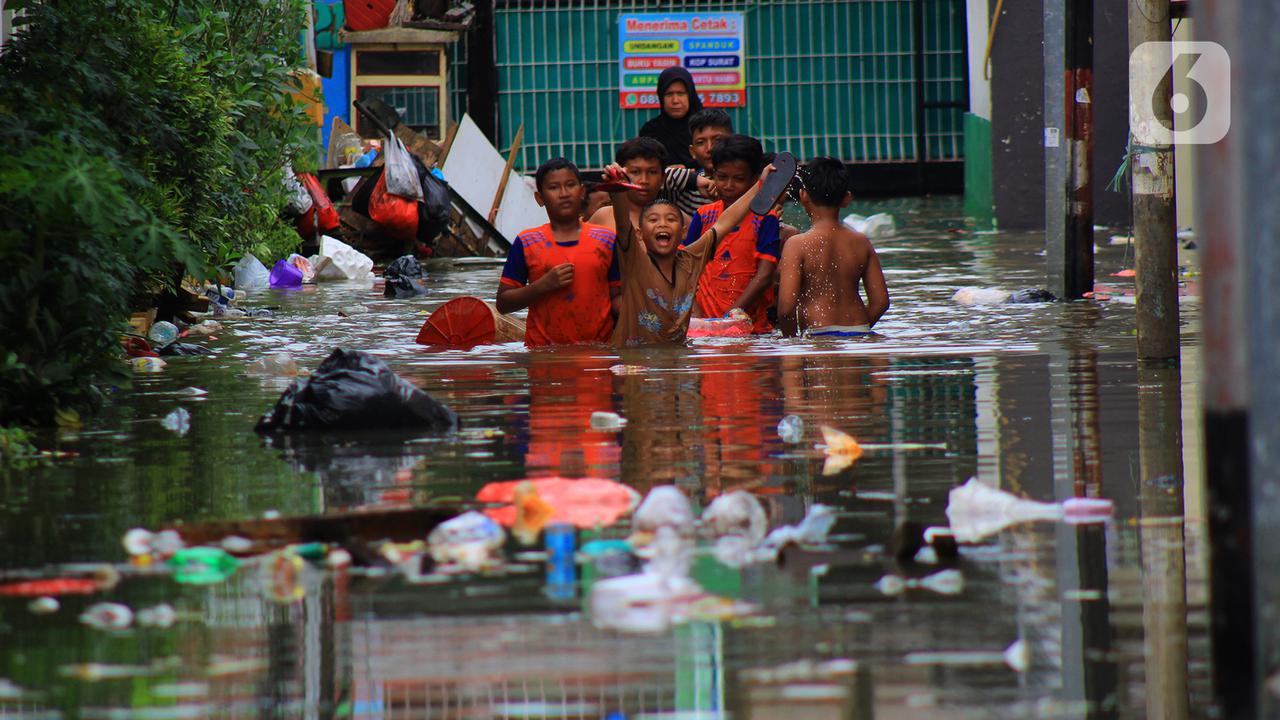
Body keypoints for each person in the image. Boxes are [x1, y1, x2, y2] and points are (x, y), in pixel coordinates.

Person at [604, 161, 775, 347]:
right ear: (639, 233)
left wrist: (760, 186)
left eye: (671, 219)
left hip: (676, 362)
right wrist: (617, 190)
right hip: (635, 364)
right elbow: (622, 223)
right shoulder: (634, 261)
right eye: (653, 220)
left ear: (683, 232)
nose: (662, 224)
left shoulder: (691, 260)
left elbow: (725, 221)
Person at [497, 158, 620, 347]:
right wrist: (541, 286)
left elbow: (618, 298)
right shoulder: (527, 241)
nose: (564, 194)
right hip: (544, 356)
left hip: (598, 355)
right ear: (540, 198)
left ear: (581, 191)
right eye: (554, 188)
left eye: (570, 185)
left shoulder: (607, 240)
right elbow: (503, 304)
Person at [777, 157, 889, 337]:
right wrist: (856, 330)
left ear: (803, 195)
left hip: (817, 333)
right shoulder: (861, 242)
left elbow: (786, 309)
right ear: (847, 198)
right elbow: (881, 302)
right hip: (859, 330)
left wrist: (791, 342)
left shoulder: (797, 244)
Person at [682, 134, 780, 334]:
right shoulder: (703, 215)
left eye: (738, 179)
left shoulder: (765, 219)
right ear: (713, 174)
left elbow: (765, 275)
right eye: (722, 177)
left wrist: (731, 315)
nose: (728, 185)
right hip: (703, 328)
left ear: (755, 179)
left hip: (752, 330)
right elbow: (685, 269)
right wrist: (697, 315)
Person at [661, 108, 734, 217]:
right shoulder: (685, 188)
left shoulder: (743, 184)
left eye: (718, 140)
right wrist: (693, 180)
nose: (710, 148)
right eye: (701, 142)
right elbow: (654, 178)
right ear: (692, 151)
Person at [588, 137, 665, 232]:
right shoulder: (603, 217)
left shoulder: (677, 218)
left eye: (652, 172)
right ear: (621, 172)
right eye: (635, 172)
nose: (644, 180)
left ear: (663, 178)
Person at [639, 67, 703, 169]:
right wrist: (667, 171)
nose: (675, 100)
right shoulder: (651, 132)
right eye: (669, 94)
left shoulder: (706, 126)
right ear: (661, 97)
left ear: (690, 95)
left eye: (681, 93)